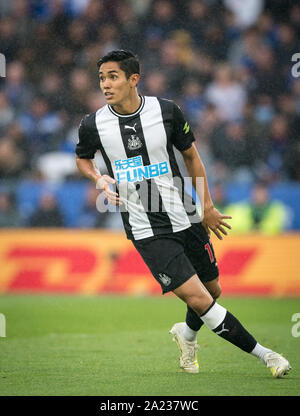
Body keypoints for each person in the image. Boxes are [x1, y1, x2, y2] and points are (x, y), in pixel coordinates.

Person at [75, 50, 290, 378]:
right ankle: (267, 356)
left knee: (213, 290)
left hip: (186, 213)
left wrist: (206, 206)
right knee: (201, 300)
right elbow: (82, 158)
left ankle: (186, 334)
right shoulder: (93, 125)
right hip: (146, 227)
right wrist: (98, 177)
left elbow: (191, 157)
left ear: (134, 79)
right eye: (102, 77)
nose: (105, 84)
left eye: (113, 76)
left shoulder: (166, 112)